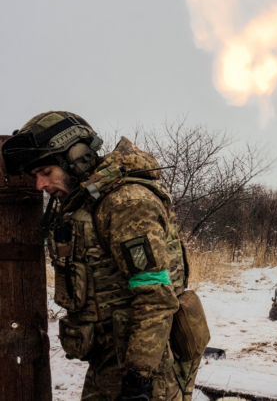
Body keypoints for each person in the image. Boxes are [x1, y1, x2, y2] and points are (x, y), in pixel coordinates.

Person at [2, 111, 209, 401]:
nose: (40, 186)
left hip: (147, 370)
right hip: (111, 363)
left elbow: (155, 294)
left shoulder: (127, 203)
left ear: (76, 158)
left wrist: (139, 380)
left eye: (45, 172)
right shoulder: (90, 202)